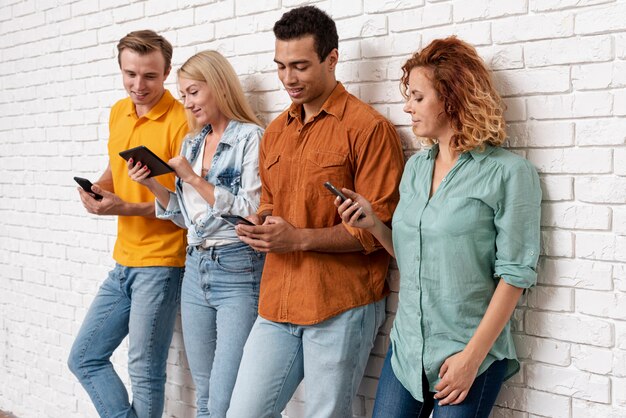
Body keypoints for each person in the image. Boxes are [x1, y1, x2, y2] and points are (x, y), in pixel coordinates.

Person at [335, 37, 542, 418]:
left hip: (468, 352)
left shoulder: (510, 174)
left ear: (450, 97)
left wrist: (470, 358)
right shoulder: (415, 168)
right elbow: (417, 256)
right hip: (408, 348)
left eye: (417, 97)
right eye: (408, 96)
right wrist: (376, 227)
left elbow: (515, 277)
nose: (407, 107)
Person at [227, 5, 405, 418]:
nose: (289, 78)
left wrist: (299, 237)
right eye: (281, 66)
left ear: (332, 58)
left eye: (301, 66)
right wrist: (259, 224)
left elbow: (379, 229)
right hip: (277, 302)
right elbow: (271, 201)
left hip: (339, 304)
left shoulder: (368, 129)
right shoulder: (275, 132)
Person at [127, 50, 265, 418]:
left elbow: (250, 212)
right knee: (204, 395)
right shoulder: (192, 142)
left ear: (218, 86)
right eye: (184, 94)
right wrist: (155, 184)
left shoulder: (252, 138)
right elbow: (185, 218)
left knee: (227, 396)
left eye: (193, 92)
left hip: (238, 268)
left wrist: (191, 177)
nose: (187, 102)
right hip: (196, 267)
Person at [68, 30, 187, 418]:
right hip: (123, 262)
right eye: (130, 74)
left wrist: (123, 208)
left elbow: (185, 206)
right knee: (84, 357)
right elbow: (116, 169)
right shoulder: (119, 111)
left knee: (145, 371)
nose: (139, 85)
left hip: (162, 262)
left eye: (150, 76)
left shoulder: (182, 120)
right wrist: (100, 189)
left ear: (167, 71)